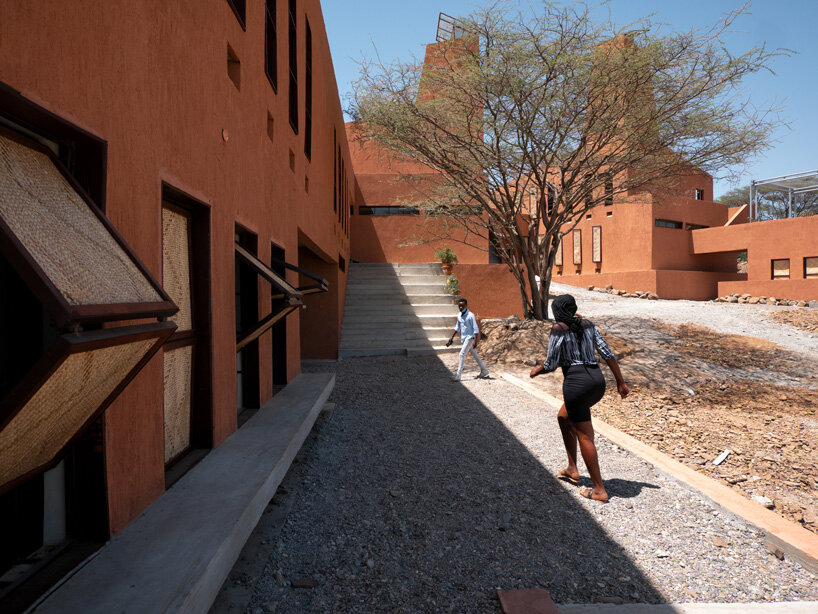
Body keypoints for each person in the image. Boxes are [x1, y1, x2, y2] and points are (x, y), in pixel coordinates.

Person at [529, 294, 629, 502]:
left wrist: (536, 370)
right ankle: (572, 468)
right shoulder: (588, 325)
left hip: (576, 385)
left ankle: (599, 490)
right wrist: (620, 382)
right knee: (564, 417)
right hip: (596, 382)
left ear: (557, 311)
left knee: (585, 436)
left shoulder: (559, 329)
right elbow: (607, 353)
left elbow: (551, 363)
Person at [446, 298, 490, 381]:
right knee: (475, 355)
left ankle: (458, 375)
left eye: (462, 306)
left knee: (461, 354)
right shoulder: (459, 315)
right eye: (459, 306)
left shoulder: (471, 315)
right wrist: (452, 337)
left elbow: (475, 329)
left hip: (470, 337)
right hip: (464, 337)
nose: (461, 308)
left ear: (466, 306)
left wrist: (476, 341)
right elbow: (457, 327)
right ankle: (484, 370)